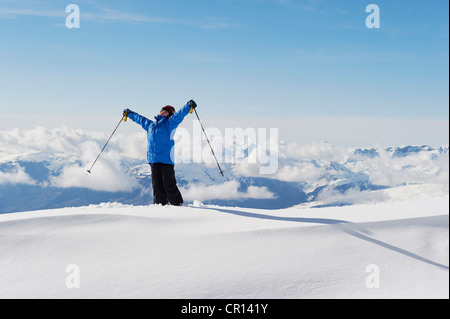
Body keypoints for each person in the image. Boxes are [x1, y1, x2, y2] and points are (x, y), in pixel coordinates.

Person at [123, 100, 197, 206]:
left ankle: (178, 205)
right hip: (153, 160)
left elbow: (179, 115)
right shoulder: (150, 125)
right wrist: (130, 114)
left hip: (166, 160)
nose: (163, 112)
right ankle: (160, 207)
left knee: (169, 185)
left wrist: (188, 106)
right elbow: (140, 119)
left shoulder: (169, 124)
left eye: (166, 112)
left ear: (169, 115)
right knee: (157, 186)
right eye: (162, 110)